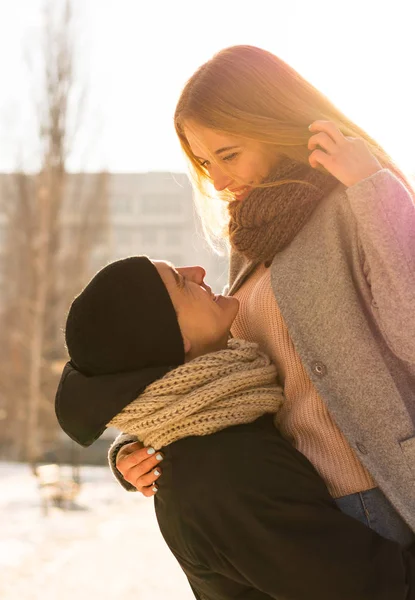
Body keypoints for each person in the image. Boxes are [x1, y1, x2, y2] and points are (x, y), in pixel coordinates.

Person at [114, 44, 415, 547]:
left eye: (229, 154)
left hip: (376, 494)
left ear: (278, 125)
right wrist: (142, 439)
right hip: (295, 502)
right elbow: (238, 368)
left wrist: (372, 188)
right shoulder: (256, 236)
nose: (219, 179)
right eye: (205, 161)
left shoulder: (358, 204)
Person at [56, 255, 415, 600]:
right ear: (174, 340)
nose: (198, 271)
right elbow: (370, 589)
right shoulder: (220, 473)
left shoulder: (216, 428)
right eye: (181, 283)